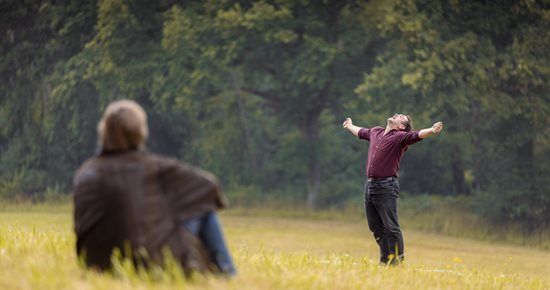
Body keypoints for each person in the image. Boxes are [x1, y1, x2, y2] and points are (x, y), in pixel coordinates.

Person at [73, 99, 236, 276]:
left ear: (103, 131)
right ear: (140, 132)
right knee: (203, 207)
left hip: (96, 263)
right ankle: (228, 273)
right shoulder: (155, 168)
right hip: (148, 262)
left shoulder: (85, 173)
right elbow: (208, 186)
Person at [343, 114, 443, 265]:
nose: (396, 114)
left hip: (386, 186)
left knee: (391, 226)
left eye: (400, 116)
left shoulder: (401, 136)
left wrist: (432, 129)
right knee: (375, 227)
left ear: (401, 126)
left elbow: (417, 135)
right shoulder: (376, 131)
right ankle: (386, 260)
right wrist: (350, 125)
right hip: (370, 185)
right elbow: (361, 131)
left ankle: (397, 262)